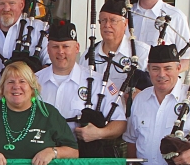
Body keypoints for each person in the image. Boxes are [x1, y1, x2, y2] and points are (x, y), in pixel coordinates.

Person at [35, 20, 126, 156]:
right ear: (47, 49)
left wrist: (99, 133)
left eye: (66, 46)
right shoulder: (33, 81)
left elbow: (120, 123)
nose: (60, 52)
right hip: (41, 157)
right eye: (55, 47)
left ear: (77, 48)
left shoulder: (98, 82)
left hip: (83, 159)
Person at [0, 62, 78, 165]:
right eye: (10, 82)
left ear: (32, 88)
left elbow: (73, 152)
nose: (16, 86)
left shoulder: (48, 113)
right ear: (2, 87)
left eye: (22, 81)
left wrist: (52, 152)